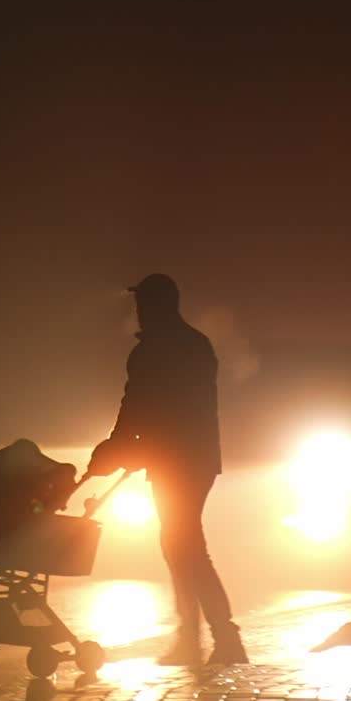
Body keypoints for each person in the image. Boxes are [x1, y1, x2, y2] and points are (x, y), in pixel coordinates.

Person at [88, 274, 247, 666]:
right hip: (197, 458)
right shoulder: (196, 345)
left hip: (176, 459)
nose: (138, 312)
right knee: (180, 545)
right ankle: (195, 639)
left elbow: (138, 406)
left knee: (186, 547)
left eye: (142, 304)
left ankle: (223, 639)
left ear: (157, 306)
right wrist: (131, 448)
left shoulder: (153, 352)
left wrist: (117, 447)